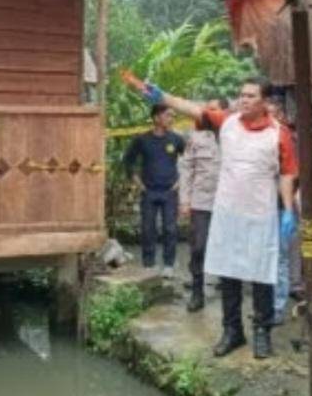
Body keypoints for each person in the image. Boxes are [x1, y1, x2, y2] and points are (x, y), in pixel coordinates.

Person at [124, 75, 297, 360]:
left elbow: (288, 172)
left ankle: (262, 331)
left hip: (261, 214)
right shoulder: (226, 121)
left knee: (261, 275)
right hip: (228, 212)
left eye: (251, 96)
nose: (244, 99)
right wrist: (162, 96)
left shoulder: (279, 133)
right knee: (229, 273)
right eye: (241, 94)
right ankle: (232, 331)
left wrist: (288, 209)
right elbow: (192, 109)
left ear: (265, 101)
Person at [123, 104, 185, 278]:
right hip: (148, 191)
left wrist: (180, 182)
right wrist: (138, 183)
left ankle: (169, 265)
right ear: (156, 118)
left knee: (170, 229)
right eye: (168, 116)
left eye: (172, 116)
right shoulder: (142, 140)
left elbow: (189, 160)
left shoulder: (176, 139)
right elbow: (128, 161)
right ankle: (148, 264)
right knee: (148, 228)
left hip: (170, 191)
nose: (171, 119)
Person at [178, 97, 227, 313]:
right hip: (202, 201)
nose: (208, 113)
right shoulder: (196, 138)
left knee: (228, 250)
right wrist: (185, 201)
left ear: (224, 112)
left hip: (228, 203)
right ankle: (197, 292)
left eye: (214, 110)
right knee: (198, 247)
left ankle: (228, 290)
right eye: (206, 109)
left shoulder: (233, 136)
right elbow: (186, 170)